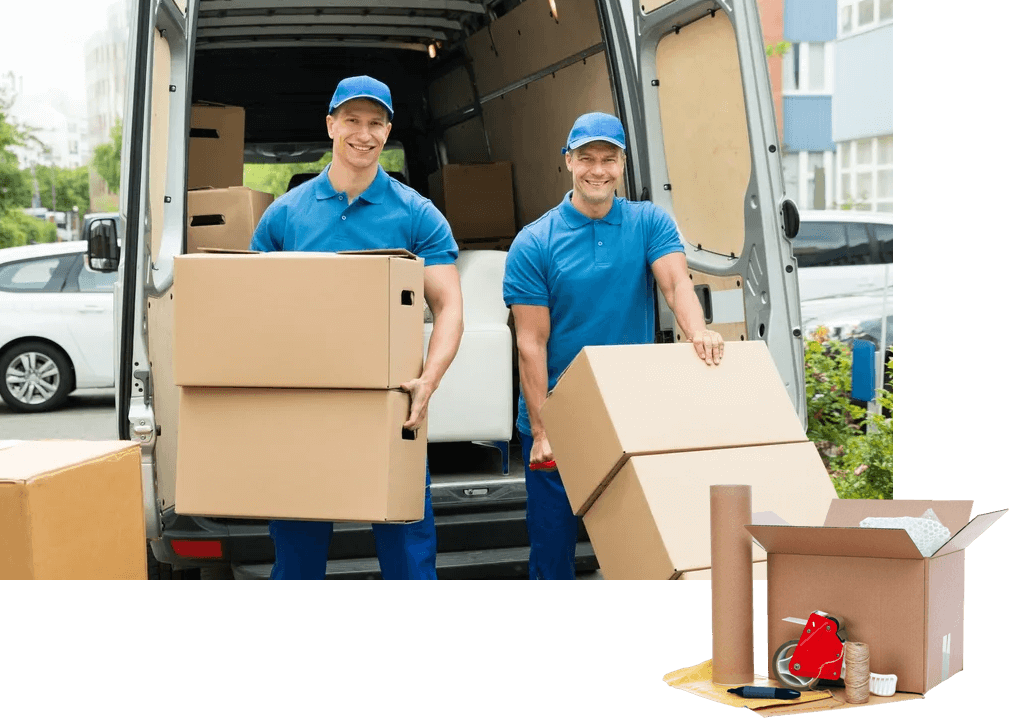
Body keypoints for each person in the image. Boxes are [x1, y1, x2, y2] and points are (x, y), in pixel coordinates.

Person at [249, 75, 464, 580]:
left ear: (387, 131)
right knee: (297, 556)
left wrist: (428, 381)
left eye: (375, 123)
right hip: (305, 405)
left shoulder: (417, 215)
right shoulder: (284, 217)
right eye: (351, 120)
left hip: (391, 404)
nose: (363, 134)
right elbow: (253, 310)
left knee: (408, 556)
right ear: (330, 125)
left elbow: (450, 306)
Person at [502, 112, 725, 580]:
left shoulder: (648, 222)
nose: (597, 169)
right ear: (568, 162)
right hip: (560, 414)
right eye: (587, 158)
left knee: (638, 543)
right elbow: (531, 342)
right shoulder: (535, 242)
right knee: (552, 547)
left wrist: (697, 330)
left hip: (631, 412)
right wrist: (543, 429)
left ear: (622, 165)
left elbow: (676, 284)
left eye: (608, 159)